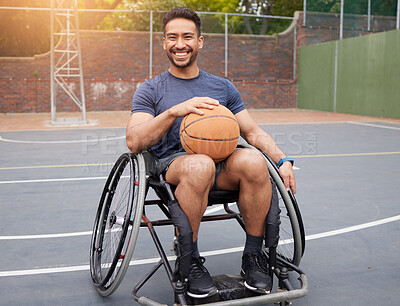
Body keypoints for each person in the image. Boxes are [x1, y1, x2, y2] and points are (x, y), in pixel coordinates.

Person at [126, 7, 296, 299]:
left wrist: (282, 159)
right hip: (177, 166)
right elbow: (134, 141)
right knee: (200, 165)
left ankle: (253, 256)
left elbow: (252, 132)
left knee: (255, 161)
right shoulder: (150, 90)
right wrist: (174, 111)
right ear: (164, 43)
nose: (180, 44)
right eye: (173, 37)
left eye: (187, 37)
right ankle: (189, 260)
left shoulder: (222, 87)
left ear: (200, 41)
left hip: (223, 164)